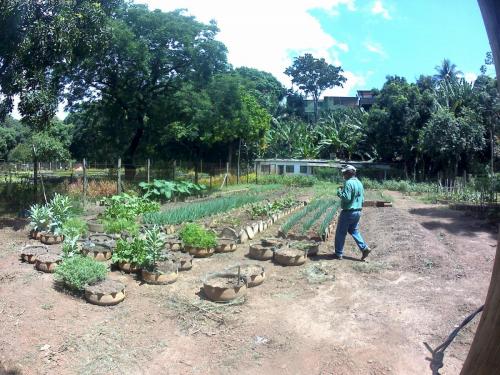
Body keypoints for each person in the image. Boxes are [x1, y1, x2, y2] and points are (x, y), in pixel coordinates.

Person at [333, 165, 371, 260]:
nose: (343, 175)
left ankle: (338, 253)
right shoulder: (359, 183)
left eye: (344, 173)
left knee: (340, 233)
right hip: (357, 212)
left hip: (348, 212)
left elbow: (346, 198)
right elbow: (362, 200)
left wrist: (339, 193)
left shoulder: (348, 183)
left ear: (349, 173)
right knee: (353, 230)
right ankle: (364, 248)